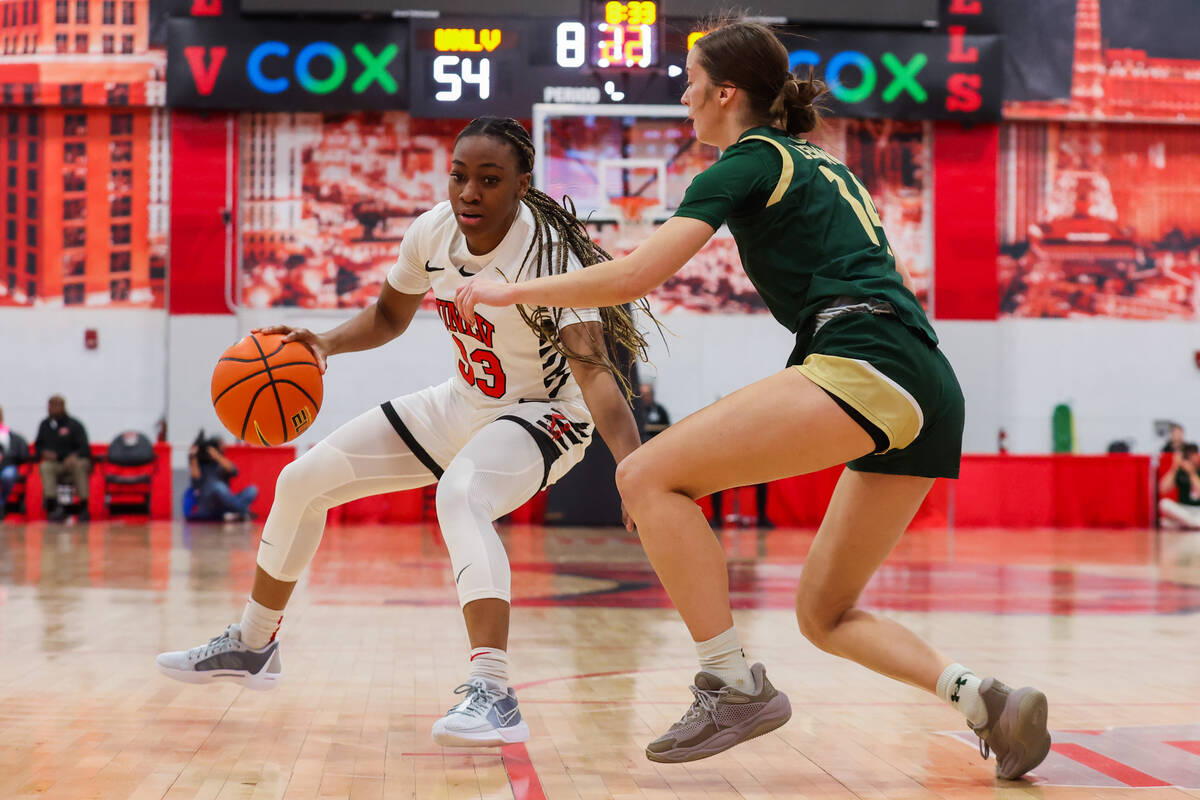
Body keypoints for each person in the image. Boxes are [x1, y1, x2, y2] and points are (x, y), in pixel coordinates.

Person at [454, 22, 1050, 780]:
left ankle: (731, 684)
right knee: (824, 614)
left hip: (866, 355)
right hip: (926, 379)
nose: (683, 93)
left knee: (645, 476)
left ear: (726, 92)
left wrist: (511, 289)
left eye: (692, 80)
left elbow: (637, 276)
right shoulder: (814, 161)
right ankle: (984, 700)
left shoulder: (746, 159)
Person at [157, 117, 646, 749]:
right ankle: (253, 644)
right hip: (465, 402)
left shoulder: (548, 254)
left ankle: (493, 693)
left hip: (546, 414)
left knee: (460, 495)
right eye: (459, 176)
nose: (469, 192)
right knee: (301, 479)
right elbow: (391, 315)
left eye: (489, 180)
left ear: (523, 185)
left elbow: (597, 375)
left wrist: (633, 469)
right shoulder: (434, 230)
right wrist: (326, 343)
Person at [34, 394, 91, 522]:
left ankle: (83, 506)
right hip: (56, 464)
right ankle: (52, 505)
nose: (50, 409)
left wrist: (74, 456)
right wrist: (44, 453)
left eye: (54, 406)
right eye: (49, 406)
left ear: (62, 407)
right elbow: (38, 447)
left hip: (73, 462)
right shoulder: (45, 425)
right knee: (45, 466)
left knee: (80, 465)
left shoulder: (74, 425)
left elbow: (85, 448)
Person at [186, 432, 259, 522]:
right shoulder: (199, 463)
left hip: (225, 502)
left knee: (252, 490)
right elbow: (195, 478)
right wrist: (193, 457)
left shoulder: (220, 461)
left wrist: (216, 456)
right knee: (218, 487)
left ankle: (235, 512)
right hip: (208, 502)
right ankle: (242, 512)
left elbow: (233, 470)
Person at [1158, 442, 1200, 528]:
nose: (1191, 459)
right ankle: (1193, 524)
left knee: (1165, 523)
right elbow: (1162, 489)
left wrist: (1192, 474)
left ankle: (1187, 524)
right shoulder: (1180, 471)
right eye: (1188, 456)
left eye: (1193, 455)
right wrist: (1174, 468)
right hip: (1183, 509)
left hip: (1198, 509)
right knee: (1164, 503)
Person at [0, 405, 31, 517]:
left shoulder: (11, 436)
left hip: (8, 465)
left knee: (8, 476)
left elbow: (23, 455)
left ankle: (2, 503)